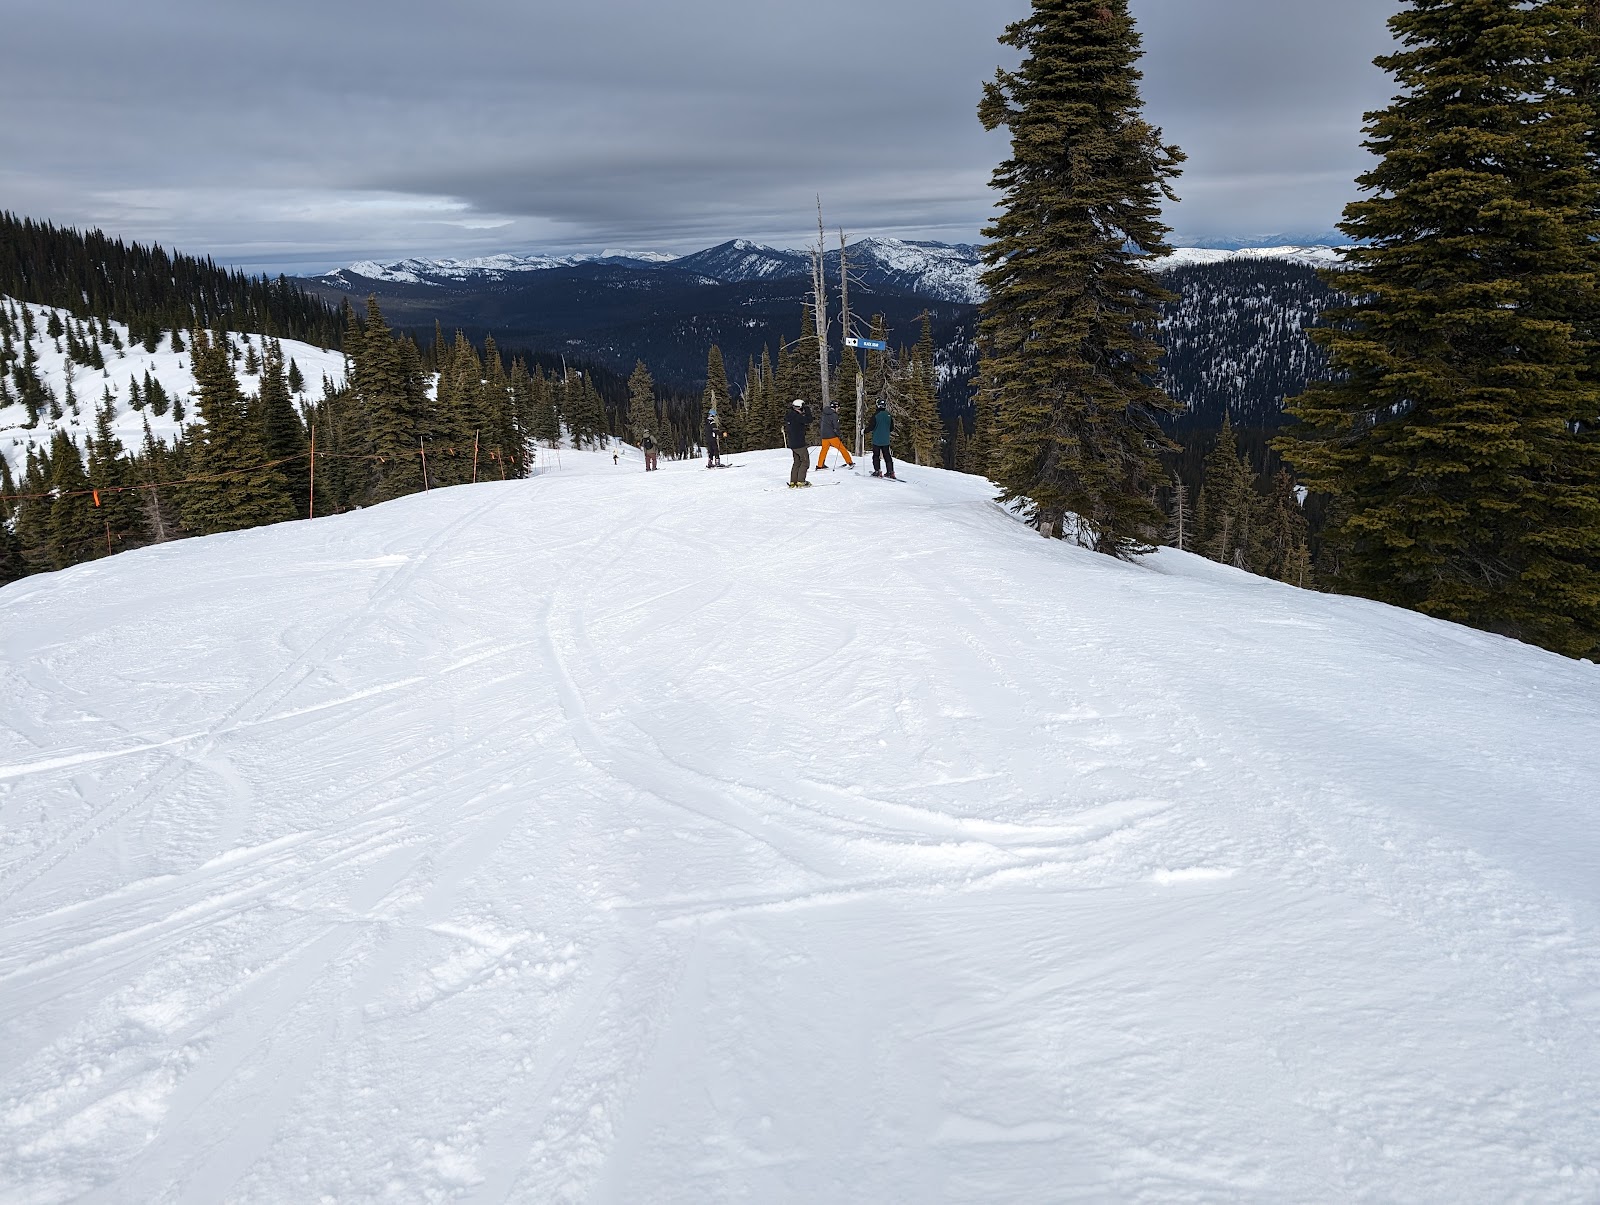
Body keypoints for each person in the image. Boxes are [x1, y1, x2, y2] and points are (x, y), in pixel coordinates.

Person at [815, 399, 854, 470]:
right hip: (832, 436)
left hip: (824, 435)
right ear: (835, 407)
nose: (838, 409)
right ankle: (850, 462)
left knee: (824, 450)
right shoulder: (834, 415)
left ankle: (820, 465)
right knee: (842, 449)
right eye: (838, 408)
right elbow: (836, 426)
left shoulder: (824, 413)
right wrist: (839, 434)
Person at [783, 399, 812, 488]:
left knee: (797, 462)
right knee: (805, 462)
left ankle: (793, 481)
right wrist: (807, 410)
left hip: (792, 443)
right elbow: (809, 419)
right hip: (800, 443)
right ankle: (801, 481)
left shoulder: (790, 416)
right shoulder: (797, 417)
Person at [867, 398, 896, 479]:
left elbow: (871, 427)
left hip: (876, 439)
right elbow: (891, 428)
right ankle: (890, 472)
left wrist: (864, 431)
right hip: (885, 439)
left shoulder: (876, 415)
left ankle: (877, 471)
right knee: (887, 455)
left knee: (876, 456)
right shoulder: (888, 415)